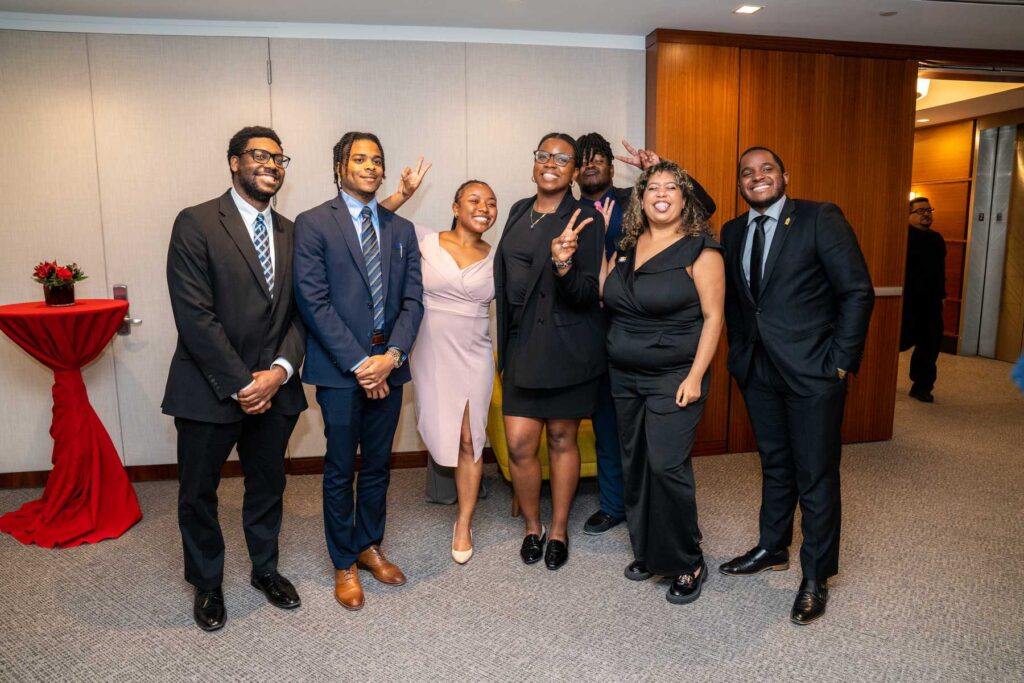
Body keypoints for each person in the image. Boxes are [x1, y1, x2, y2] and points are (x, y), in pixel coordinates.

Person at [719, 147, 874, 625]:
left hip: (814, 371)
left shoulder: (818, 218)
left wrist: (840, 364)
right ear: (740, 184)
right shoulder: (732, 231)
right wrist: (741, 356)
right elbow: (741, 303)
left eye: (766, 169)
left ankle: (816, 576)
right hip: (759, 371)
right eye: (747, 173)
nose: (757, 177)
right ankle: (772, 547)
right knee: (775, 463)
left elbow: (856, 291)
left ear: (784, 175)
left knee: (816, 474)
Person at [163, 125, 307, 632]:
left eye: (279, 158)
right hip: (209, 388)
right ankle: (207, 583)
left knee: (268, 486)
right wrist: (244, 383)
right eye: (259, 155)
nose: (271, 165)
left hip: (276, 388)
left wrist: (278, 373)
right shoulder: (196, 222)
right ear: (234, 162)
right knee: (198, 493)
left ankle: (265, 569)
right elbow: (194, 315)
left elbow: (302, 315)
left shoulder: (293, 232)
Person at [293, 132, 425, 611]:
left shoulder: (401, 229)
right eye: (360, 159)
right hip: (340, 370)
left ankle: (370, 545)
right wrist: (360, 363)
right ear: (339, 168)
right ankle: (343, 561)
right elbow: (313, 300)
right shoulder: (313, 223)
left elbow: (413, 301)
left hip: (390, 366)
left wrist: (392, 356)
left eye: (377, 160)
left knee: (377, 465)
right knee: (339, 467)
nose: (371, 166)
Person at [575, 133, 718, 535]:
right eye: (582, 160)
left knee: (661, 452)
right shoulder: (568, 209)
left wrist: (659, 169)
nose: (591, 165)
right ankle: (614, 504)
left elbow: (702, 209)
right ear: (574, 172)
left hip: (659, 334)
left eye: (598, 158)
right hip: (601, 332)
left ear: (610, 165)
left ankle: (668, 533)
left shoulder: (634, 199)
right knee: (614, 429)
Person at [598, 160, 725, 604]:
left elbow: (714, 318)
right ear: (641, 198)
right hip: (624, 375)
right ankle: (650, 551)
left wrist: (696, 376)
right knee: (635, 464)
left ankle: (688, 559)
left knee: (666, 467)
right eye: (653, 187)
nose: (661, 194)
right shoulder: (628, 246)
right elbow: (606, 295)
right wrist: (595, 246)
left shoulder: (701, 251)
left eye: (671, 187)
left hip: (675, 375)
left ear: (685, 199)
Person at [494, 132, 605, 570]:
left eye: (563, 158)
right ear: (534, 162)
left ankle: (558, 530)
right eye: (544, 155)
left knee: (561, 438)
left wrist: (563, 264)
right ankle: (532, 526)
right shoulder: (519, 210)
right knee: (520, 443)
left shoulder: (584, 217)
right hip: (521, 343)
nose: (551, 164)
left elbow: (586, 293)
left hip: (564, 346)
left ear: (574, 171)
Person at [411, 180, 498, 564]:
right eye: (474, 200)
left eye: (491, 203)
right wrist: (404, 194)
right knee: (435, 428)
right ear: (455, 206)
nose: (484, 207)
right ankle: (451, 493)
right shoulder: (426, 241)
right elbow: (373, 217)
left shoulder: (497, 257)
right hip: (430, 352)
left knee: (470, 437)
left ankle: (464, 522)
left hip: (475, 354)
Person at [900, 197, 946, 403]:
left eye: (929, 210)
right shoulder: (902, 237)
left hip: (931, 302)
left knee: (930, 345)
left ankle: (922, 386)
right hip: (907, 301)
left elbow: (940, 272)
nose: (926, 214)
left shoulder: (937, 239)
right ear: (908, 215)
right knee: (898, 342)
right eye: (920, 211)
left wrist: (942, 295)